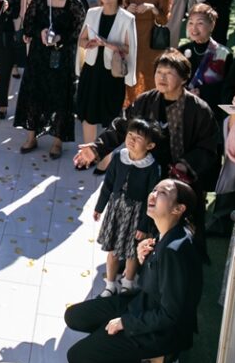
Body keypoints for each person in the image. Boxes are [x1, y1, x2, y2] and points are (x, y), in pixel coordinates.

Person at [65, 179, 203, 363]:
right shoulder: (165, 232)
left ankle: (157, 355)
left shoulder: (174, 250)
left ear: (178, 209)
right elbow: (153, 283)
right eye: (154, 189)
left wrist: (124, 323)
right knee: (74, 316)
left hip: (160, 330)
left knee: (77, 358)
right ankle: (111, 337)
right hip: (140, 304)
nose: (153, 194)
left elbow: (170, 315)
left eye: (162, 193)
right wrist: (144, 259)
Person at [74, 51, 221, 238]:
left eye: (169, 73)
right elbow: (122, 127)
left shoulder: (199, 110)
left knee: (177, 234)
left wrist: (185, 165)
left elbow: (208, 147)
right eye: (159, 72)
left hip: (178, 181)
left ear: (184, 79)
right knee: (139, 232)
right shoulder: (145, 101)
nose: (162, 78)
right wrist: (97, 149)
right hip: (146, 175)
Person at [14, 0, 86, 158]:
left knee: (61, 96)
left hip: (62, 56)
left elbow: (79, 31)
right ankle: (31, 136)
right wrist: (41, 32)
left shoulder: (75, 4)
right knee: (33, 93)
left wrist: (61, 38)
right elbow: (28, 25)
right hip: (38, 55)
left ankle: (57, 141)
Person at [94, 119, 161, 297]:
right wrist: (99, 207)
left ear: (150, 145)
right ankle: (110, 284)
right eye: (130, 135)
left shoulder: (152, 167)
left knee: (132, 252)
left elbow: (151, 199)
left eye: (138, 138)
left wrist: (143, 226)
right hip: (116, 209)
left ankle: (127, 284)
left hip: (136, 214)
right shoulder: (119, 157)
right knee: (113, 250)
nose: (131, 140)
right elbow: (108, 184)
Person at [76, 0, 137, 147]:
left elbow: (129, 48)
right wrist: (88, 43)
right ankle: (88, 153)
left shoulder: (127, 18)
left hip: (112, 73)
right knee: (88, 115)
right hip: (91, 70)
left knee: (109, 118)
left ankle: (104, 156)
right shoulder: (92, 13)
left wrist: (106, 44)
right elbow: (81, 40)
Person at [125, 0, 172, 102]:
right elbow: (121, 16)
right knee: (131, 76)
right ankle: (132, 107)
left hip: (152, 42)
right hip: (131, 39)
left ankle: (153, 105)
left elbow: (164, 20)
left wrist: (153, 8)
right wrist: (127, 10)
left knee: (151, 76)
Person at [181, 4, 232, 115]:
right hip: (185, 110)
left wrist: (202, 93)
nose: (194, 28)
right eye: (191, 23)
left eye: (200, 23)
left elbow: (228, 89)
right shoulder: (181, 51)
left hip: (212, 112)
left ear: (212, 25)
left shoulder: (224, 54)